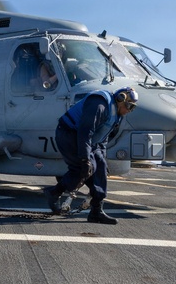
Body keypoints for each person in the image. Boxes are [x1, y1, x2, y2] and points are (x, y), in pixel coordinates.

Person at [45, 86, 138, 224]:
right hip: (69, 134)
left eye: (132, 108)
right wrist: (84, 158)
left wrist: (102, 159)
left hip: (89, 141)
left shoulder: (116, 115)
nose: (129, 111)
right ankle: (54, 192)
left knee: (100, 169)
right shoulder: (99, 104)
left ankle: (96, 212)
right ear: (120, 99)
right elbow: (85, 132)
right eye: (129, 106)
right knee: (82, 169)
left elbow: (102, 138)